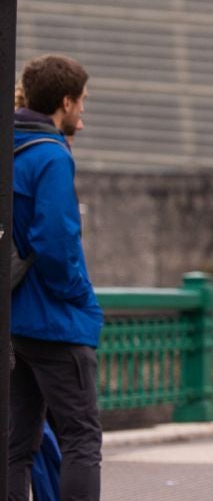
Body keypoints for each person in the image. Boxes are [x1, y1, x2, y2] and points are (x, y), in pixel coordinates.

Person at [9, 54, 102, 501]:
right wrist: (81, 299)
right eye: (82, 102)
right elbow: (57, 241)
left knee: (15, 446)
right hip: (55, 322)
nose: (82, 112)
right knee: (81, 440)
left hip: (15, 321)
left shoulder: (12, 144)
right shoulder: (49, 155)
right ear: (66, 101)